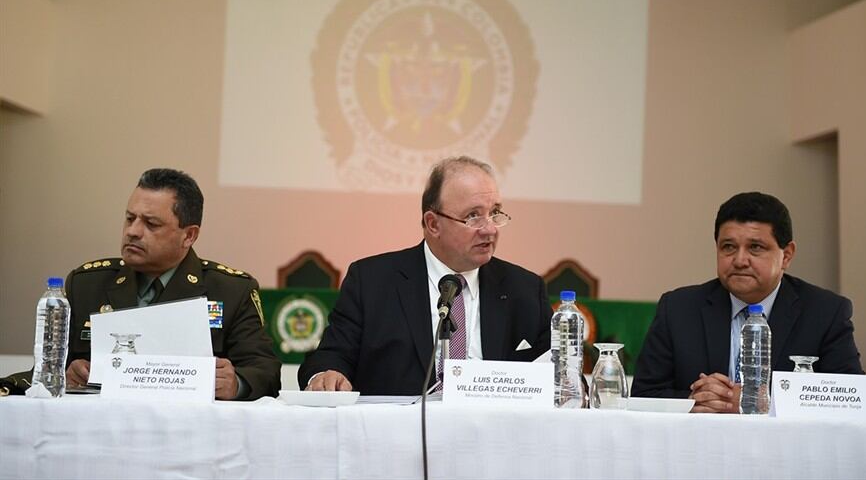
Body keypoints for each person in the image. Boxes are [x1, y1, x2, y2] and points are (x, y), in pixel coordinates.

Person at [298, 156, 552, 395]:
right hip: (398, 435)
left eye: (495, 213)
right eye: (473, 216)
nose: (489, 229)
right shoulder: (372, 281)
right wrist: (326, 373)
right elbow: (331, 356)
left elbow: (555, 372)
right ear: (433, 224)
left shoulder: (525, 290)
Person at [58, 168, 280, 400]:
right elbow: (40, 373)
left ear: (189, 236)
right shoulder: (86, 284)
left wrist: (237, 384)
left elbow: (266, 373)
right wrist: (64, 375)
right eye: (130, 218)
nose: (133, 232)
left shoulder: (231, 290)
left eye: (151, 224)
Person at [632, 192, 863, 413]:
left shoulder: (825, 312)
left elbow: (851, 401)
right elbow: (643, 395)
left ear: (787, 255)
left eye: (755, 247)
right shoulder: (678, 309)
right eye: (729, 247)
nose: (740, 260)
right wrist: (694, 401)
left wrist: (758, 402)